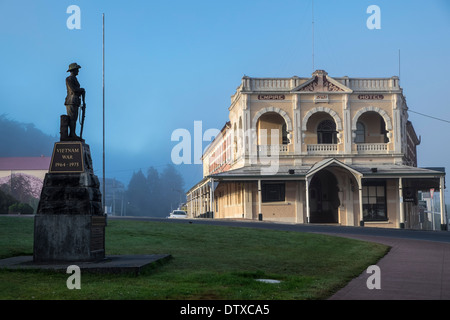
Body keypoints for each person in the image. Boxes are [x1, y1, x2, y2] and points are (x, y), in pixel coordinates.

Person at [64, 63, 85, 140]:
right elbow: (74, 89)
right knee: (72, 118)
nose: (78, 71)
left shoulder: (74, 79)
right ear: (74, 70)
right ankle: (72, 134)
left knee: (74, 118)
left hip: (75, 101)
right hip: (71, 101)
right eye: (77, 69)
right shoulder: (69, 79)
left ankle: (73, 133)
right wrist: (81, 90)